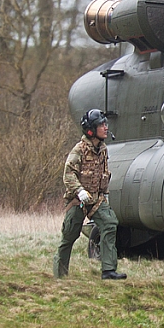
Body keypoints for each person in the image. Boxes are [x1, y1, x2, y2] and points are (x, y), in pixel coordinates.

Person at [53, 109, 127, 280]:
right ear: (91, 130)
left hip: (97, 199)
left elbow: (104, 173)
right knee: (70, 235)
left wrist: (105, 194)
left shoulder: (103, 150)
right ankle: (60, 275)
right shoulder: (78, 150)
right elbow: (68, 174)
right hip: (77, 200)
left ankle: (108, 270)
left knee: (110, 223)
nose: (106, 128)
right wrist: (79, 191)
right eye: (102, 125)